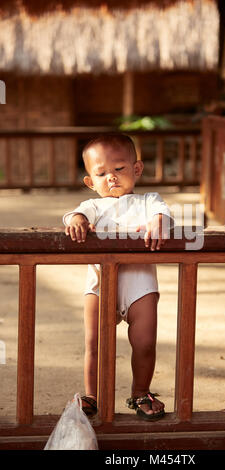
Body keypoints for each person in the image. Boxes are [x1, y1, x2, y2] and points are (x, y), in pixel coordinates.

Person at [63, 133, 173, 421]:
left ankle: (141, 392)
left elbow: (165, 215)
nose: (111, 177)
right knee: (94, 343)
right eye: (101, 173)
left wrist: (160, 222)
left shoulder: (149, 201)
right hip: (100, 285)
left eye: (119, 169)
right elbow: (73, 215)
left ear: (137, 169)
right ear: (90, 181)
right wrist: (77, 221)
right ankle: (92, 396)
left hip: (140, 285)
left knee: (145, 343)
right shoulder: (93, 207)